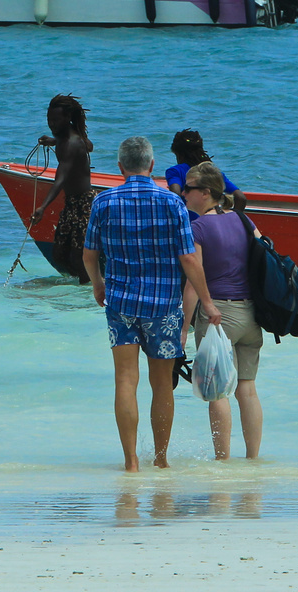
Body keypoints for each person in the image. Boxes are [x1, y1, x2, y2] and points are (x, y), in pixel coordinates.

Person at [82, 135, 221, 472]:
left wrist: (98, 284)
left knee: (125, 381)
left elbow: (89, 254)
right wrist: (207, 301)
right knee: (161, 384)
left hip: (121, 303)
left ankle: (130, 462)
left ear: (120, 167)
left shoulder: (104, 201)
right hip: (164, 306)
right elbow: (188, 259)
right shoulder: (174, 203)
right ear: (152, 165)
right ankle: (160, 460)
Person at [178, 162, 265, 460]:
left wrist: (183, 328)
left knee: (217, 391)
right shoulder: (244, 221)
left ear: (205, 193)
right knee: (248, 389)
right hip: (251, 315)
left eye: (189, 188)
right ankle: (253, 460)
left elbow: (193, 283)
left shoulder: (198, 227)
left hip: (219, 316)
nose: (183, 192)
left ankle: (223, 462)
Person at [30, 93, 94, 282]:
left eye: (56, 120)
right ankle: (80, 287)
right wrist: (54, 140)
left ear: (67, 118)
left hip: (84, 205)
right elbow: (89, 145)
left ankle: (88, 290)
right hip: (71, 202)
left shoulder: (72, 143)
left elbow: (60, 178)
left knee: (77, 257)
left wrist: (42, 207)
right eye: (49, 119)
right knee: (59, 253)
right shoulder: (68, 137)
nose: (52, 124)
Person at [164, 129, 246, 213]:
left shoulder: (175, 171)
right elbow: (240, 198)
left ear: (179, 154)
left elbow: (175, 196)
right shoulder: (213, 173)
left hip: (191, 224)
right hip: (212, 223)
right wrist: (233, 219)